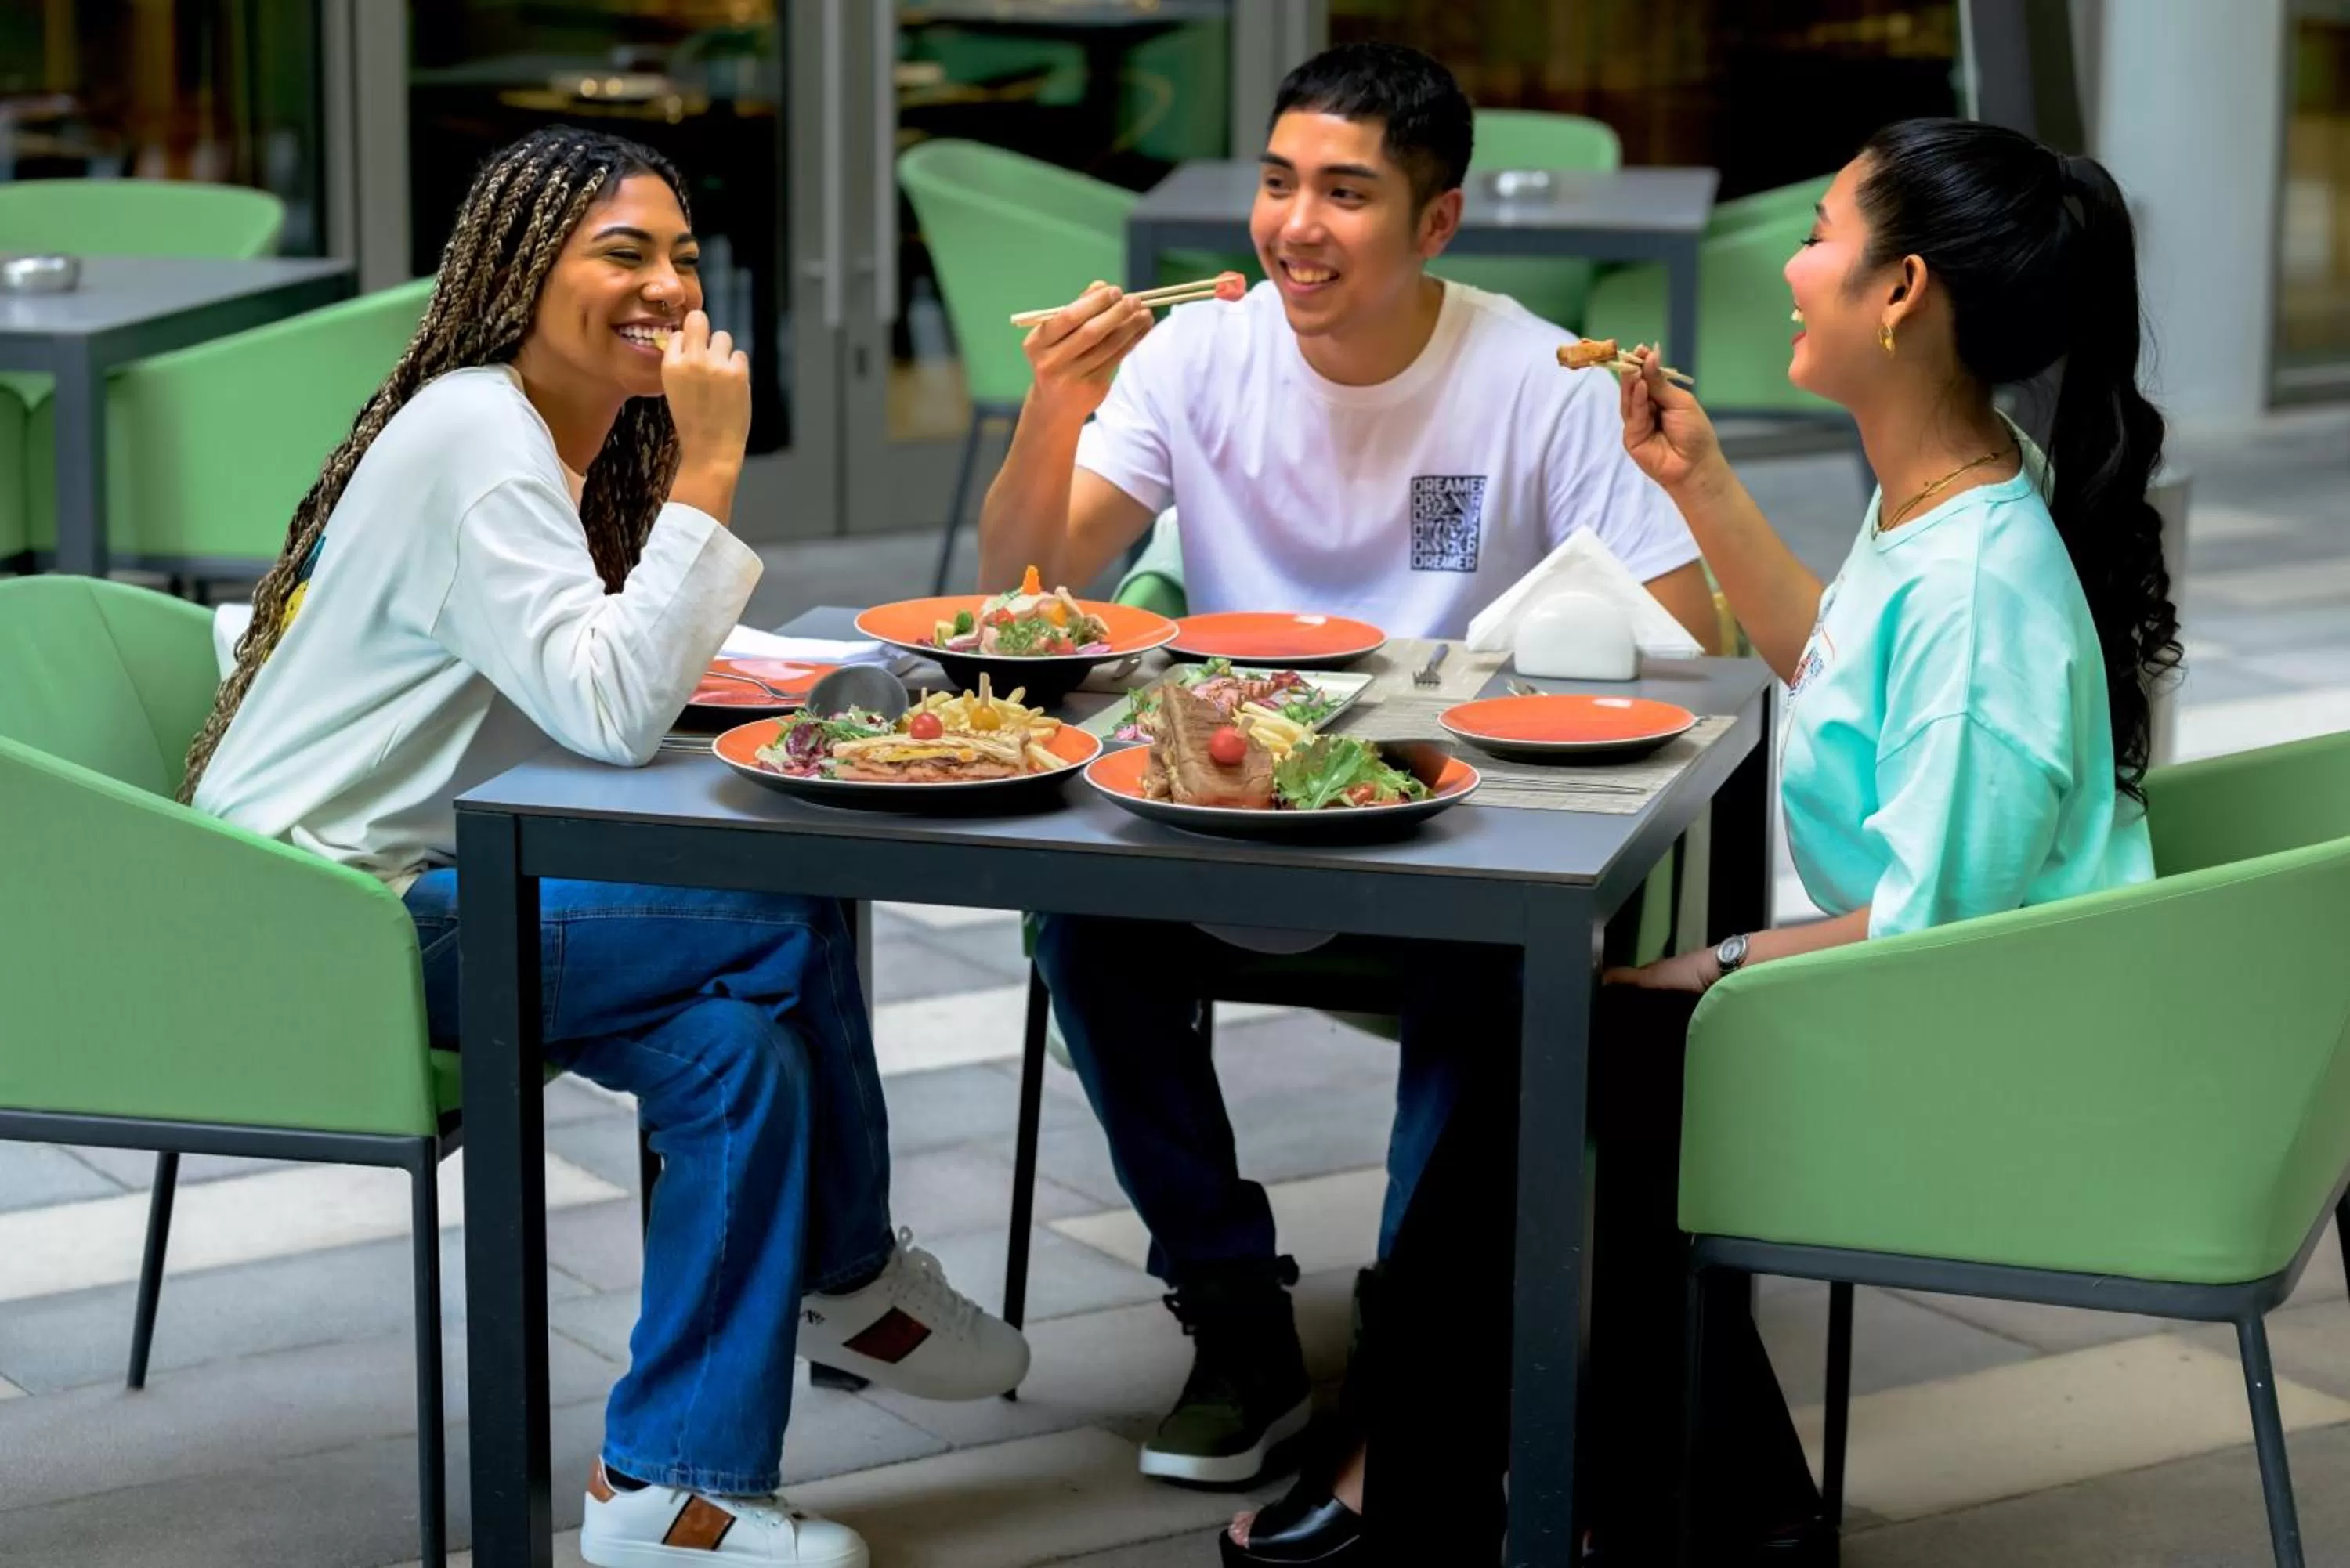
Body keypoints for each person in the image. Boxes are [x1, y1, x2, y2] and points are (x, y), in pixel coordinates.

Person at [1220, 115, 2183, 1566]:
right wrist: (1699, 482)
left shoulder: (1980, 582)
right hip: (1962, 992)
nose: (1792, 270)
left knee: (1568, 1028)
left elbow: (1938, 932)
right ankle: (1675, 1498)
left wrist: (1717, 961)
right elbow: (1841, 661)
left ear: (1903, 291)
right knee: (1575, 1026)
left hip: (1990, 1043)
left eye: (1818, 236)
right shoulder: (1953, 485)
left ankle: (1426, 1481)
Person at [186, 127, 1027, 1568]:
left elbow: (571, 682)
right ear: (521, 275)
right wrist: (711, 463)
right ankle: (849, 1272)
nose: (666, 286)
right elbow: (610, 710)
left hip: (427, 882)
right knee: (786, 895)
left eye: (684, 258)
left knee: (739, 1058)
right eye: (621, 253)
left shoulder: (543, 431)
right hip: (322, 921)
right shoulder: (475, 436)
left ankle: (667, 1494)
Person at [977, 40, 1721, 1492]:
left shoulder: (1531, 377)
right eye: (1276, 182)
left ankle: (1408, 1345)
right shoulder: (1196, 352)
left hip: (1441, 818)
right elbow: (1033, 583)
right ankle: (1237, 1310)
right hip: (1221, 799)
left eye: (1345, 193)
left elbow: (1683, 633)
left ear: (1435, 222)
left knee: (1499, 950)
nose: (1295, 225)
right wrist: (1054, 409)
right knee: (1076, 918)